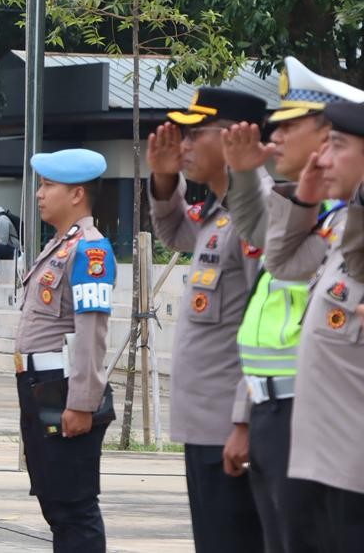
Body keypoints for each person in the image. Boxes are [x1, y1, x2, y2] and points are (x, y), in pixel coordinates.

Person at [218, 57, 364, 552]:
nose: (273, 136)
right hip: (282, 409)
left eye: (288, 125)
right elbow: (277, 258)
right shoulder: (323, 217)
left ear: (328, 140)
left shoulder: (346, 220)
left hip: (324, 418)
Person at [147, 86, 268, 552]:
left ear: (237, 138)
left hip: (230, 426)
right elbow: (174, 230)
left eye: (198, 134)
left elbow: (265, 328)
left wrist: (244, 420)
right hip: (203, 424)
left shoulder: (258, 218)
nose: (186, 145)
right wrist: (163, 179)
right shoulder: (219, 214)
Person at [265, 100, 364, 551]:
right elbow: (282, 262)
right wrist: (304, 199)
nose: (321, 159)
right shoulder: (346, 227)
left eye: (336, 146)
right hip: (324, 468)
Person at [15, 149, 115, 552]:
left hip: (63, 388)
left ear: (77, 195)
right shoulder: (59, 245)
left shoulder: (89, 250)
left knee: (74, 505)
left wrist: (82, 403)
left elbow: (92, 333)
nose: (40, 193)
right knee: (54, 502)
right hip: (39, 384)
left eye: (48, 185)